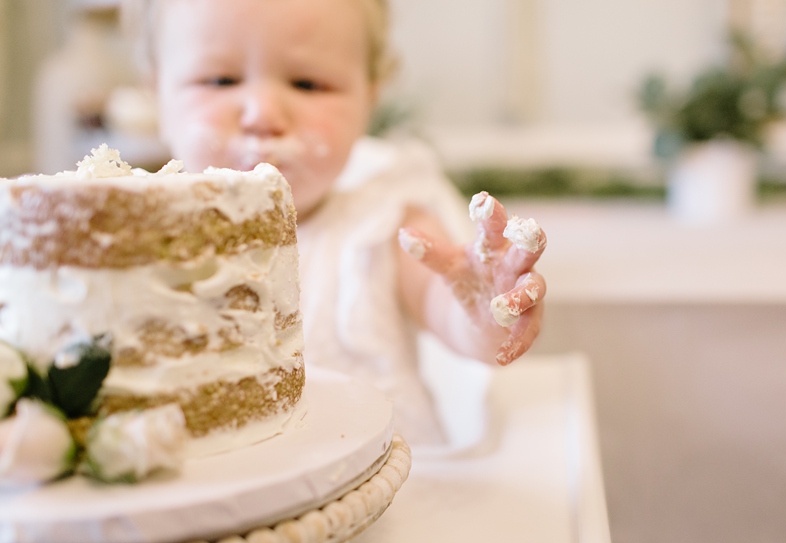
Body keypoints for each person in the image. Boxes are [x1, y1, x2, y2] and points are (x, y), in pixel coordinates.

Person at [121, 0, 547, 444]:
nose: (263, 113)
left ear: (370, 97)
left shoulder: (383, 222)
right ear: (157, 95)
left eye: (308, 83)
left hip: (385, 493)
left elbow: (454, 316)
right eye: (220, 80)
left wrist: (484, 311)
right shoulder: (134, 241)